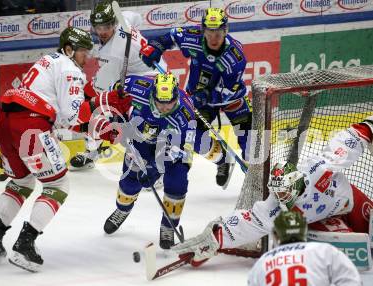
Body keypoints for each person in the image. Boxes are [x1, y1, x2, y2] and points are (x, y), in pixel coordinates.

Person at [0, 26, 130, 272]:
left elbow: (69, 107)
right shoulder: (70, 70)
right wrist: (103, 126)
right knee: (57, 186)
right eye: (82, 52)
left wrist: (100, 102)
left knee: (21, 182)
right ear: (69, 49)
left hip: (4, 124)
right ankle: (25, 244)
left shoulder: (49, 60)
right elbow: (73, 116)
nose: (87, 57)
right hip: (30, 127)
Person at [171, 106, 373, 266]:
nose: (282, 197)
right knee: (357, 247)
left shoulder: (318, 171)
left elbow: (347, 141)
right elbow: (247, 223)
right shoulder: (275, 208)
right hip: (319, 221)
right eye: (279, 193)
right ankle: (339, 229)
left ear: (297, 184)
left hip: (346, 200)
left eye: (285, 192)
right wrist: (216, 239)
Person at [103, 72, 224, 249]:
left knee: (177, 182)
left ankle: (168, 226)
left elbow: (185, 149)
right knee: (130, 179)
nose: (165, 108)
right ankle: (122, 210)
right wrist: (115, 104)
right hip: (141, 140)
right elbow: (114, 90)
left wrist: (153, 168)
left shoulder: (184, 114)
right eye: (161, 103)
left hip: (173, 145)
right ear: (153, 94)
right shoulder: (136, 87)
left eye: (170, 103)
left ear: (176, 97)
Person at [140, 7, 251, 188]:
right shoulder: (193, 38)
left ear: (226, 30)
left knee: (251, 143)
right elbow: (171, 36)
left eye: (219, 32)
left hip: (233, 100)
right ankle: (223, 160)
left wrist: (205, 96)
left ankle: (256, 178)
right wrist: (156, 47)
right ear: (203, 30)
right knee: (197, 138)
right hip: (199, 99)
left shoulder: (235, 56)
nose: (214, 37)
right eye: (209, 31)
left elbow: (228, 90)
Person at [70, 0, 166, 170]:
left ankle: (149, 165)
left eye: (106, 27)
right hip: (150, 69)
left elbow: (101, 91)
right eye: (98, 27)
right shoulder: (124, 19)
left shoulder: (113, 54)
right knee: (93, 100)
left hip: (149, 80)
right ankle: (94, 149)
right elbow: (137, 18)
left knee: (99, 108)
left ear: (113, 23)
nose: (102, 32)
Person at [248, 211, 362, 286]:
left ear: (277, 234)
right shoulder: (323, 250)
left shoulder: (263, 262)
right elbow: (352, 281)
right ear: (304, 230)